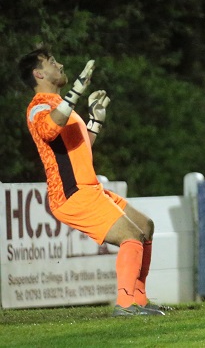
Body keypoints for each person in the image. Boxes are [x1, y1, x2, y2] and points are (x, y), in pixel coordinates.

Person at [19, 47, 164, 316]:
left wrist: (95, 120)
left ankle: (140, 300)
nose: (59, 64)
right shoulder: (38, 106)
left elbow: (80, 147)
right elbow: (49, 130)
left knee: (145, 226)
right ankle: (124, 304)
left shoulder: (62, 108)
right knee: (131, 236)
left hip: (89, 188)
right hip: (71, 194)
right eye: (52, 62)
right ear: (38, 73)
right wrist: (76, 92)